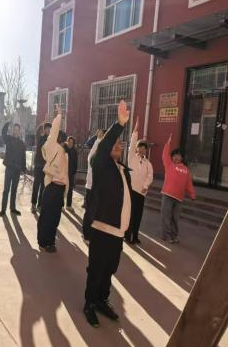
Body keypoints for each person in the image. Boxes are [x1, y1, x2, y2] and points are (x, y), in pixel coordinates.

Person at [83, 100, 132, 328]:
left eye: (121, 143)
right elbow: (103, 149)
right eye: (114, 143)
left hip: (118, 232)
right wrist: (119, 125)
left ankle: (101, 300)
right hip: (102, 228)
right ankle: (89, 304)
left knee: (110, 269)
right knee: (96, 269)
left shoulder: (123, 170)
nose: (118, 145)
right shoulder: (100, 165)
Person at [37, 106, 69, 253]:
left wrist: (65, 192)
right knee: (46, 216)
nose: (64, 141)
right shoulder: (51, 147)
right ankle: (43, 242)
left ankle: (50, 241)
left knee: (55, 218)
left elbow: (67, 176)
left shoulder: (65, 154)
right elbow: (54, 131)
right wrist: (59, 116)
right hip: (51, 188)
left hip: (60, 189)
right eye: (62, 139)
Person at [161, 134, 196, 244]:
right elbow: (164, 155)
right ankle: (166, 236)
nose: (176, 157)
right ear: (172, 158)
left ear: (181, 158)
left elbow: (188, 183)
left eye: (178, 156)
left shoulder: (186, 169)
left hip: (179, 198)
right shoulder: (169, 165)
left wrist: (192, 195)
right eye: (174, 155)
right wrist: (168, 144)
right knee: (166, 216)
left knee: (175, 218)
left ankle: (174, 235)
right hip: (167, 195)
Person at [125, 118, 154, 245]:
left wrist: (146, 185)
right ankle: (127, 235)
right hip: (131, 190)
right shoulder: (132, 158)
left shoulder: (148, 163)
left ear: (146, 150)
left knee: (138, 215)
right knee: (130, 214)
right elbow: (131, 145)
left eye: (144, 148)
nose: (142, 150)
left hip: (141, 192)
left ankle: (135, 236)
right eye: (140, 147)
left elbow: (150, 176)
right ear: (137, 149)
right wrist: (135, 132)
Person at [82, 129, 106, 241]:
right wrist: (99, 139)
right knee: (89, 212)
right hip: (91, 187)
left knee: (97, 212)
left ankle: (93, 233)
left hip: (101, 189)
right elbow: (91, 155)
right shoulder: (93, 156)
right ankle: (86, 234)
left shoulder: (106, 155)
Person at [0, 121, 27, 216]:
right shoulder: (8, 139)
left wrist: (24, 168)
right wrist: (7, 123)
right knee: (6, 190)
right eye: (14, 129)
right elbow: (3, 132)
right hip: (9, 169)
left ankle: (12, 208)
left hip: (17, 170)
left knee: (14, 190)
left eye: (17, 130)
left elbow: (23, 157)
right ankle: (3, 210)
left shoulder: (22, 144)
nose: (16, 131)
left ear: (19, 131)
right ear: (12, 131)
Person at [32, 119, 52, 214]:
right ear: (44, 130)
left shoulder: (51, 140)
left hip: (46, 167)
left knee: (43, 187)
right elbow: (37, 132)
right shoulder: (40, 138)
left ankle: (40, 205)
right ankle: (33, 204)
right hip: (38, 165)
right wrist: (43, 122)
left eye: (50, 129)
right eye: (47, 128)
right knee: (36, 185)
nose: (48, 130)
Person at [65, 136, 79, 212]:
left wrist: (74, 172)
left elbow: (76, 162)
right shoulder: (64, 150)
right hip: (64, 172)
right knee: (63, 189)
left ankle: (68, 205)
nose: (70, 143)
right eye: (69, 142)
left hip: (71, 173)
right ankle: (61, 205)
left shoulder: (74, 151)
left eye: (72, 142)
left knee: (70, 189)